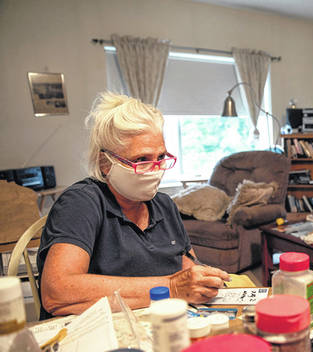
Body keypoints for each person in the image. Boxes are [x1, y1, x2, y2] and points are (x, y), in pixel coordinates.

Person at [37, 92, 229, 317]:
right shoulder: (82, 203)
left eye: (160, 158)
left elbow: (187, 264)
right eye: (141, 160)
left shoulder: (164, 205)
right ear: (105, 162)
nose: (156, 170)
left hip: (157, 321)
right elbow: (57, 292)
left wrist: (203, 279)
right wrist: (172, 287)